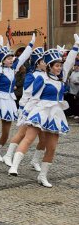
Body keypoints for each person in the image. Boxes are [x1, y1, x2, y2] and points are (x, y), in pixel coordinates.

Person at [8, 35, 79, 187]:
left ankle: (43, 176)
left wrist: (76, 46)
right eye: (57, 65)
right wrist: (25, 113)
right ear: (49, 66)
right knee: (28, 138)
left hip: (55, 114)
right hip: (40, 111)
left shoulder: (61, 78)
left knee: (51, 147)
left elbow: (69, 63)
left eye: (60, 65)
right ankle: (14, 166)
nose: (60, 68)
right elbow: (33, 99)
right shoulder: (41, 78)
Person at [0, 34, 35, 162]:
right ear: (3, 60)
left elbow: (23, 57)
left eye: (12, 58)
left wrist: (30, 44)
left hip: (9, 101)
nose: (11, 60)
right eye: (8, 58)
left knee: (6, 132)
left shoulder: (13, 69)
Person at [2, 47, 46, 169]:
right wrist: (23, 109)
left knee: (44, 138)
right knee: (22, 133)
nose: (46, 64)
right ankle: (8, 155)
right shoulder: (32, 76)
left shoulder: (49, 75)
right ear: (38, 63)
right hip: (31, 108)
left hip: (44, 110)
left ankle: (35, 160)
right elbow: (27, 94)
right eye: (44, 61)